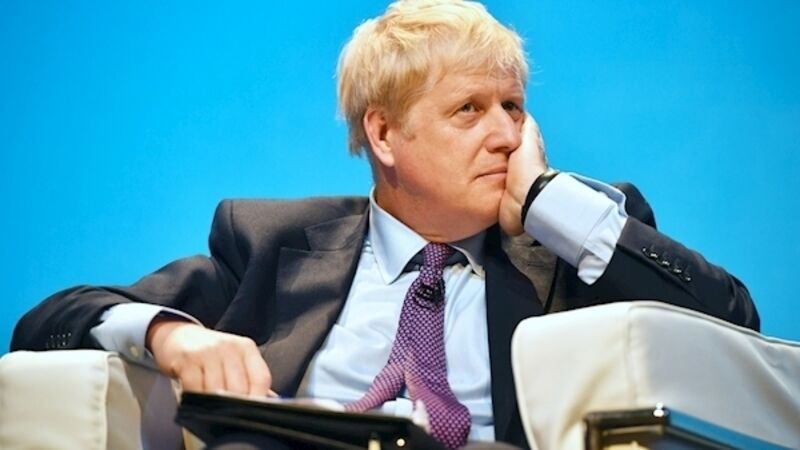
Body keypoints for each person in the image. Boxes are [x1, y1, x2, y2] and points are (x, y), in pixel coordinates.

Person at [11, 1, 759, 449]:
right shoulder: (271, 242)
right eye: (469, 110)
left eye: (513, 107)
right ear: (384, 134)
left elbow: (733, 329)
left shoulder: (569, 244)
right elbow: (52, 321)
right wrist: (174, 336)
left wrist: (548, 200)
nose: (505, 135)